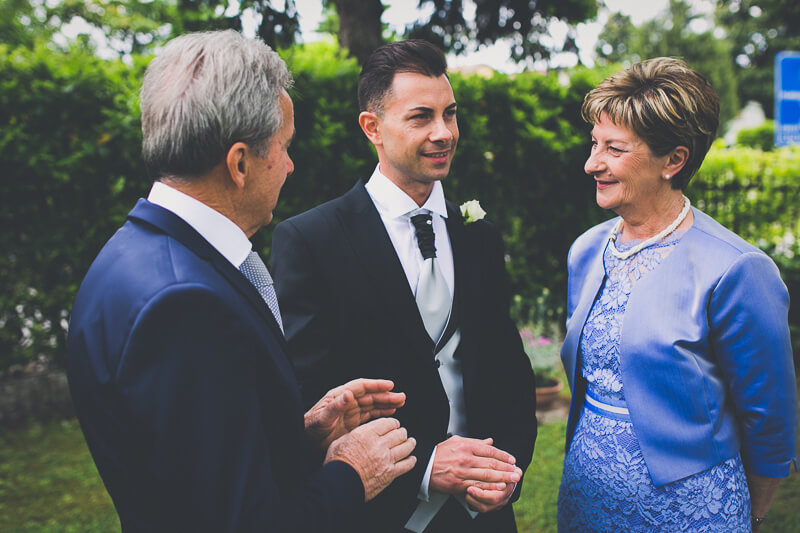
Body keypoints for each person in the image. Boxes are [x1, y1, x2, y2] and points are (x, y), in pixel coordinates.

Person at [66, 30, 418, 532]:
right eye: (284, 146)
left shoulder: (128, 254)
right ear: (238, 163)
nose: (290, 166)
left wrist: (298, 435)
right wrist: (352, 472)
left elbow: (191, 465)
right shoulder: (184, 306)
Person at [270, 40, 537, 533]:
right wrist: (426, 468)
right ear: (372, 127)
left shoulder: (479, 235)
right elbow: (313, 395)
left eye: (450, 114)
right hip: (379, 511)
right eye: (421, 117)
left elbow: (508, 370)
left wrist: (508, 471)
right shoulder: (311, 240)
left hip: (483, 513)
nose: (444, 133)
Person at [557, 57, 798, 532]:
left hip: (688, 509)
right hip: (585, 499)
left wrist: (746, 513)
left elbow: (769, 416)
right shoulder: (586, 250)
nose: (592, 163)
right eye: (594, 143)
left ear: (674, 160)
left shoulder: (736, 268)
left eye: (614, 149)